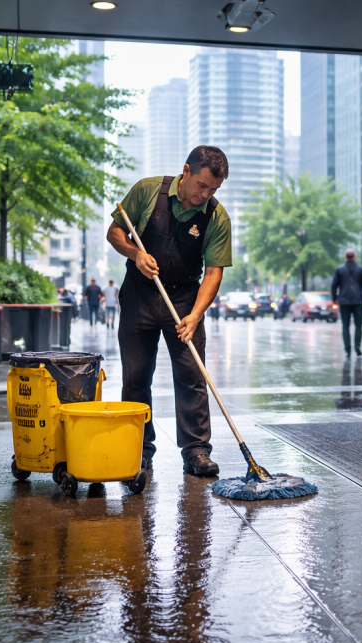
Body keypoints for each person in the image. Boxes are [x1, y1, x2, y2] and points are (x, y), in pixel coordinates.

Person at [105, 145, 232, 477]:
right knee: (135, 377)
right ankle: (139, 450)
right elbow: (115, 232)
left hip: (185, 299)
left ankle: (196, 451)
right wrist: (135, 254)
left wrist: (196, 314)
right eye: (202, 185)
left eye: (214, 189)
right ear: (186, 171)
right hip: (140, 294)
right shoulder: (148, 191)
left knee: (192, 376)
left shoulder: (216, 217)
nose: (205, 194)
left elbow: (214, 272)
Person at [331, 248, 362, 356]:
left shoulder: (339, 269)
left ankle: (347, 349)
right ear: (354, 256)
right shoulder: (361, 269)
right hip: (358, 301)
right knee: (358, 325)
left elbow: (334, 286)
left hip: (344, 301)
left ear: (345, 257)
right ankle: (357, 345)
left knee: (345, 325)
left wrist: (334, 299)